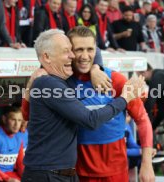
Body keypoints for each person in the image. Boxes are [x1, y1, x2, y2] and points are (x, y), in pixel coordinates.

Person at [21, 29, 146, 182]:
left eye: (89, 50)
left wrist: (96, 67)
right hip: (52, 173)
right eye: (72, 51)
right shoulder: (50, 82)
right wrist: (124, 98)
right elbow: (90, 120)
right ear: (47, 57)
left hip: (78, 173)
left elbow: (142, 119)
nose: (77, 56)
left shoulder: (112, 78)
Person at [66, 26, 154, 182]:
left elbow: (142, 119)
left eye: (90, 49)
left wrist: (147, 164)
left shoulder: (116, 80)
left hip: (116, 170)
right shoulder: (62, 83)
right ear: (69, 51)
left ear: (96, 50)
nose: (85, 56)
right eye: (79, 50)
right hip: (78, 171)